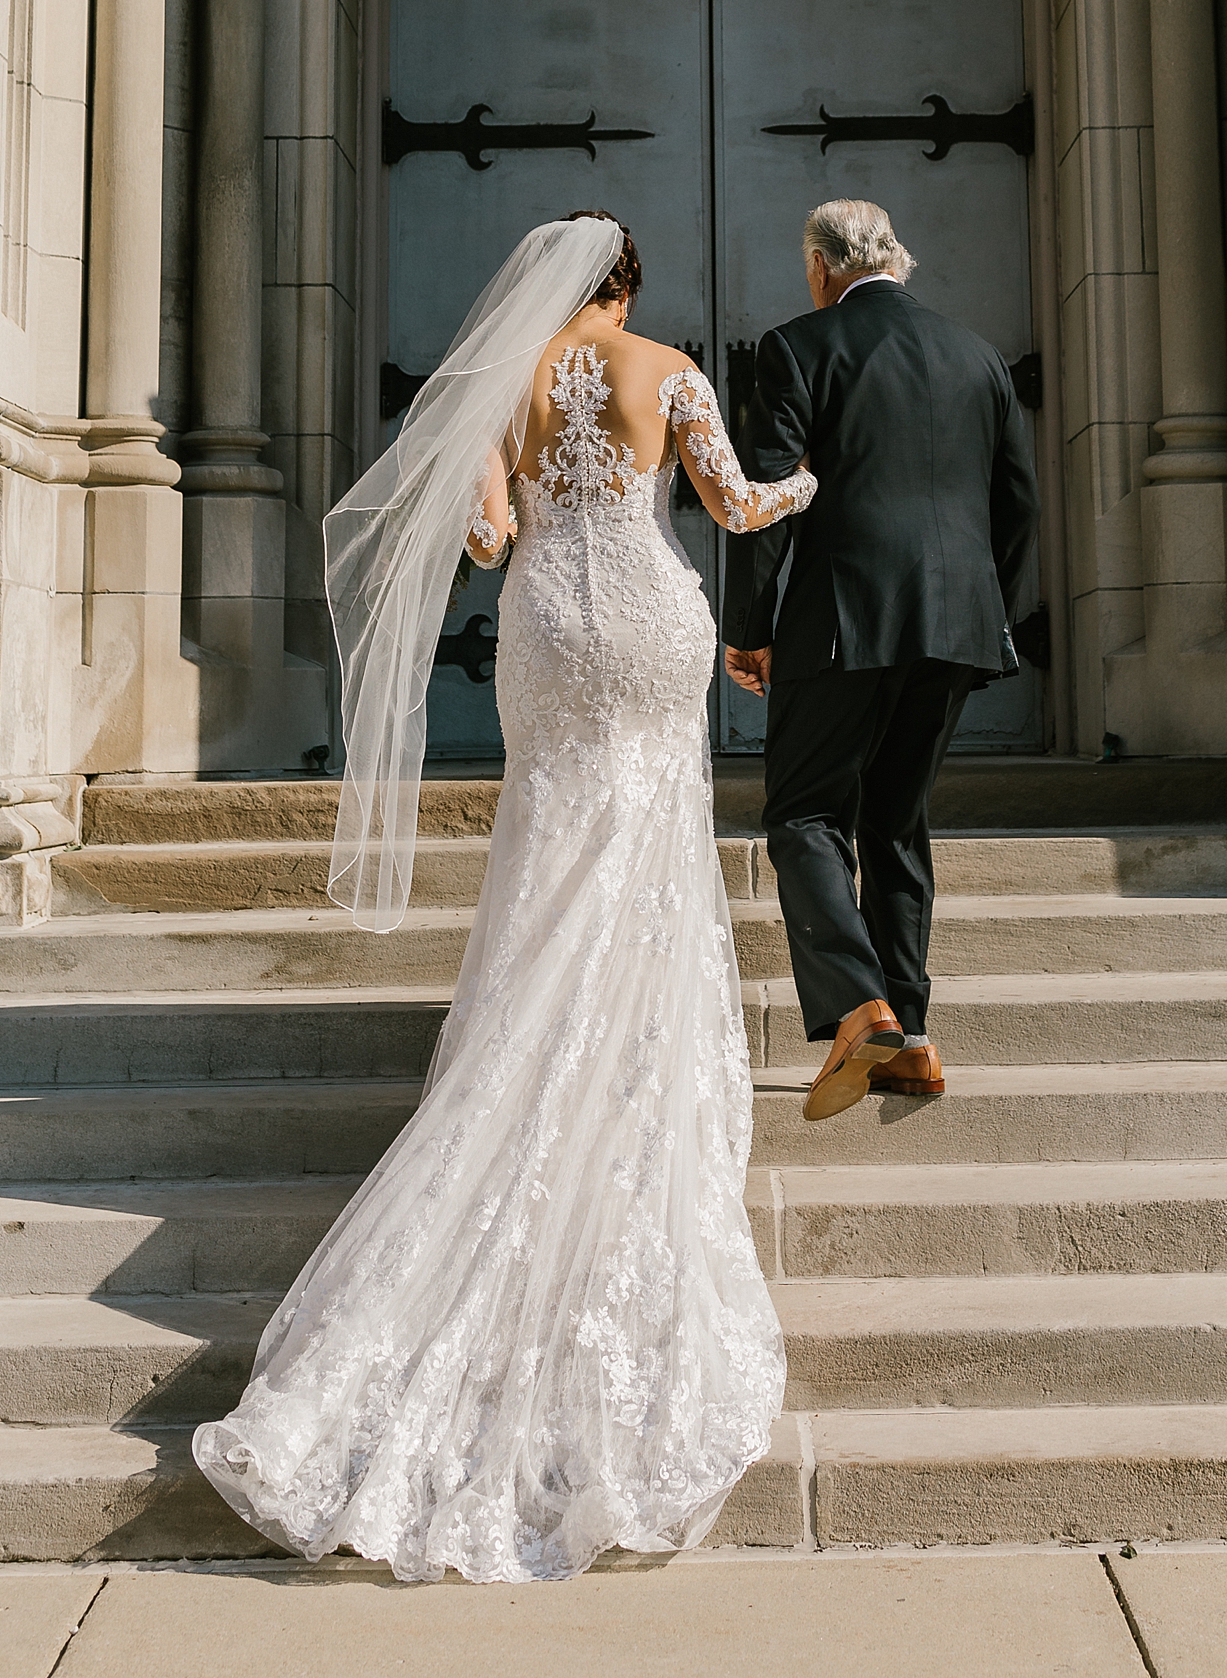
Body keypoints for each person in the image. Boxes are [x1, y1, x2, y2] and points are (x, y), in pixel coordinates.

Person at [192, 211, 814, 1583]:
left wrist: (516, 510)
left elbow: (478, 538)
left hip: (543, 627)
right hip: (650, 626)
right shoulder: (670, 371)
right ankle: (626, 1062)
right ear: (630, 290)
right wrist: (809, 485)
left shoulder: (500, 388)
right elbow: (733, 506)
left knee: (552, 851)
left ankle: (523, 1050)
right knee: (646, 843)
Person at [725, 199, 1039, 1119]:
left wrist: (750, 627)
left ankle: (863, 1012)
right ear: (897, 260)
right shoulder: (977, 355)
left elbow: (773, 495)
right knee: (897, 825)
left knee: (805, 816)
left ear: (821, 266)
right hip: (955, 627)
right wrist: (989, 615)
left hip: (841, 624)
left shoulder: (798, 346)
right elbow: (1015, 506)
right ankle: (914, 1037)